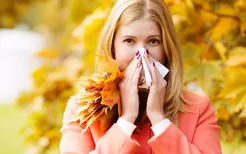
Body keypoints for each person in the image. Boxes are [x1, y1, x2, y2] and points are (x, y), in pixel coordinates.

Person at [60, 0, 222, 153]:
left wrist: (159, 120)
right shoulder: (82, 110)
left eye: (153, 41)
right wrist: (126, 120)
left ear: (167, 49)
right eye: (129, 41)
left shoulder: (198, 108)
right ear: (113, 47)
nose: (142, 54)